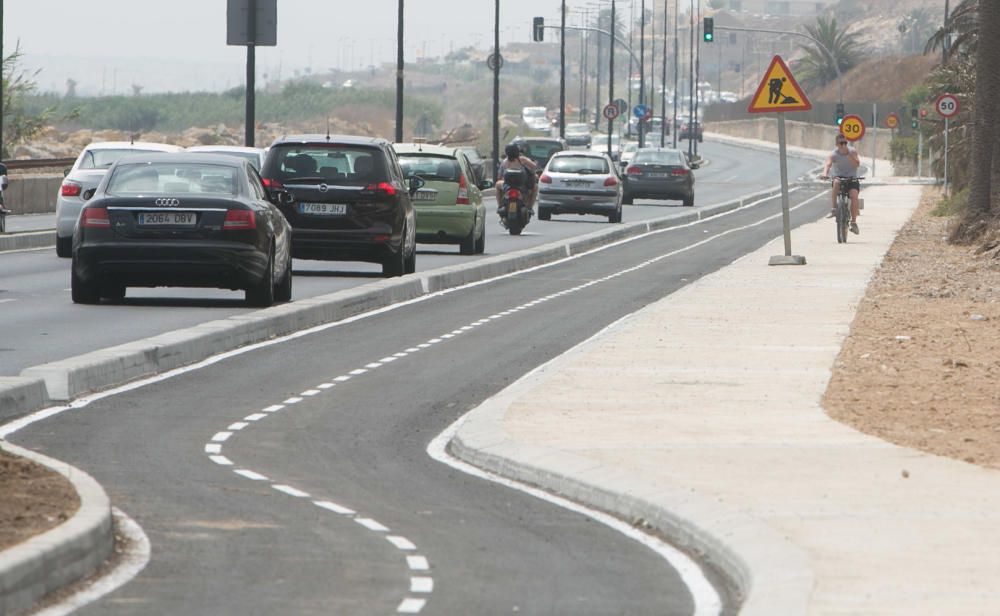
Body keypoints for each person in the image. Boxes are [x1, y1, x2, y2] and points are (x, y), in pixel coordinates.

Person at [821, 135, 861, 234]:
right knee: (836, 182)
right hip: (839, 177)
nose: (843, 145)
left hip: (852, 178)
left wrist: (849, 155)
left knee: (854, 196)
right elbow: (828, 164)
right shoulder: (834, 154)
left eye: (845, 143)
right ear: (836, 144)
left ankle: (854, 222)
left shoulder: (852, 152)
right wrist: (825, 174)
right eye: (841, 143)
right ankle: (834, 208)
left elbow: (857, 164)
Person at [495, 143, 537, 213]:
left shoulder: (504, 162)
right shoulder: (522, 160)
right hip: (522, 185)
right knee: (535, 187)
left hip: (507, 185)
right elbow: (534, 166)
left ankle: (500, 206)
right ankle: (530, 207)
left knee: (497, 185)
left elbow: (499, 176)